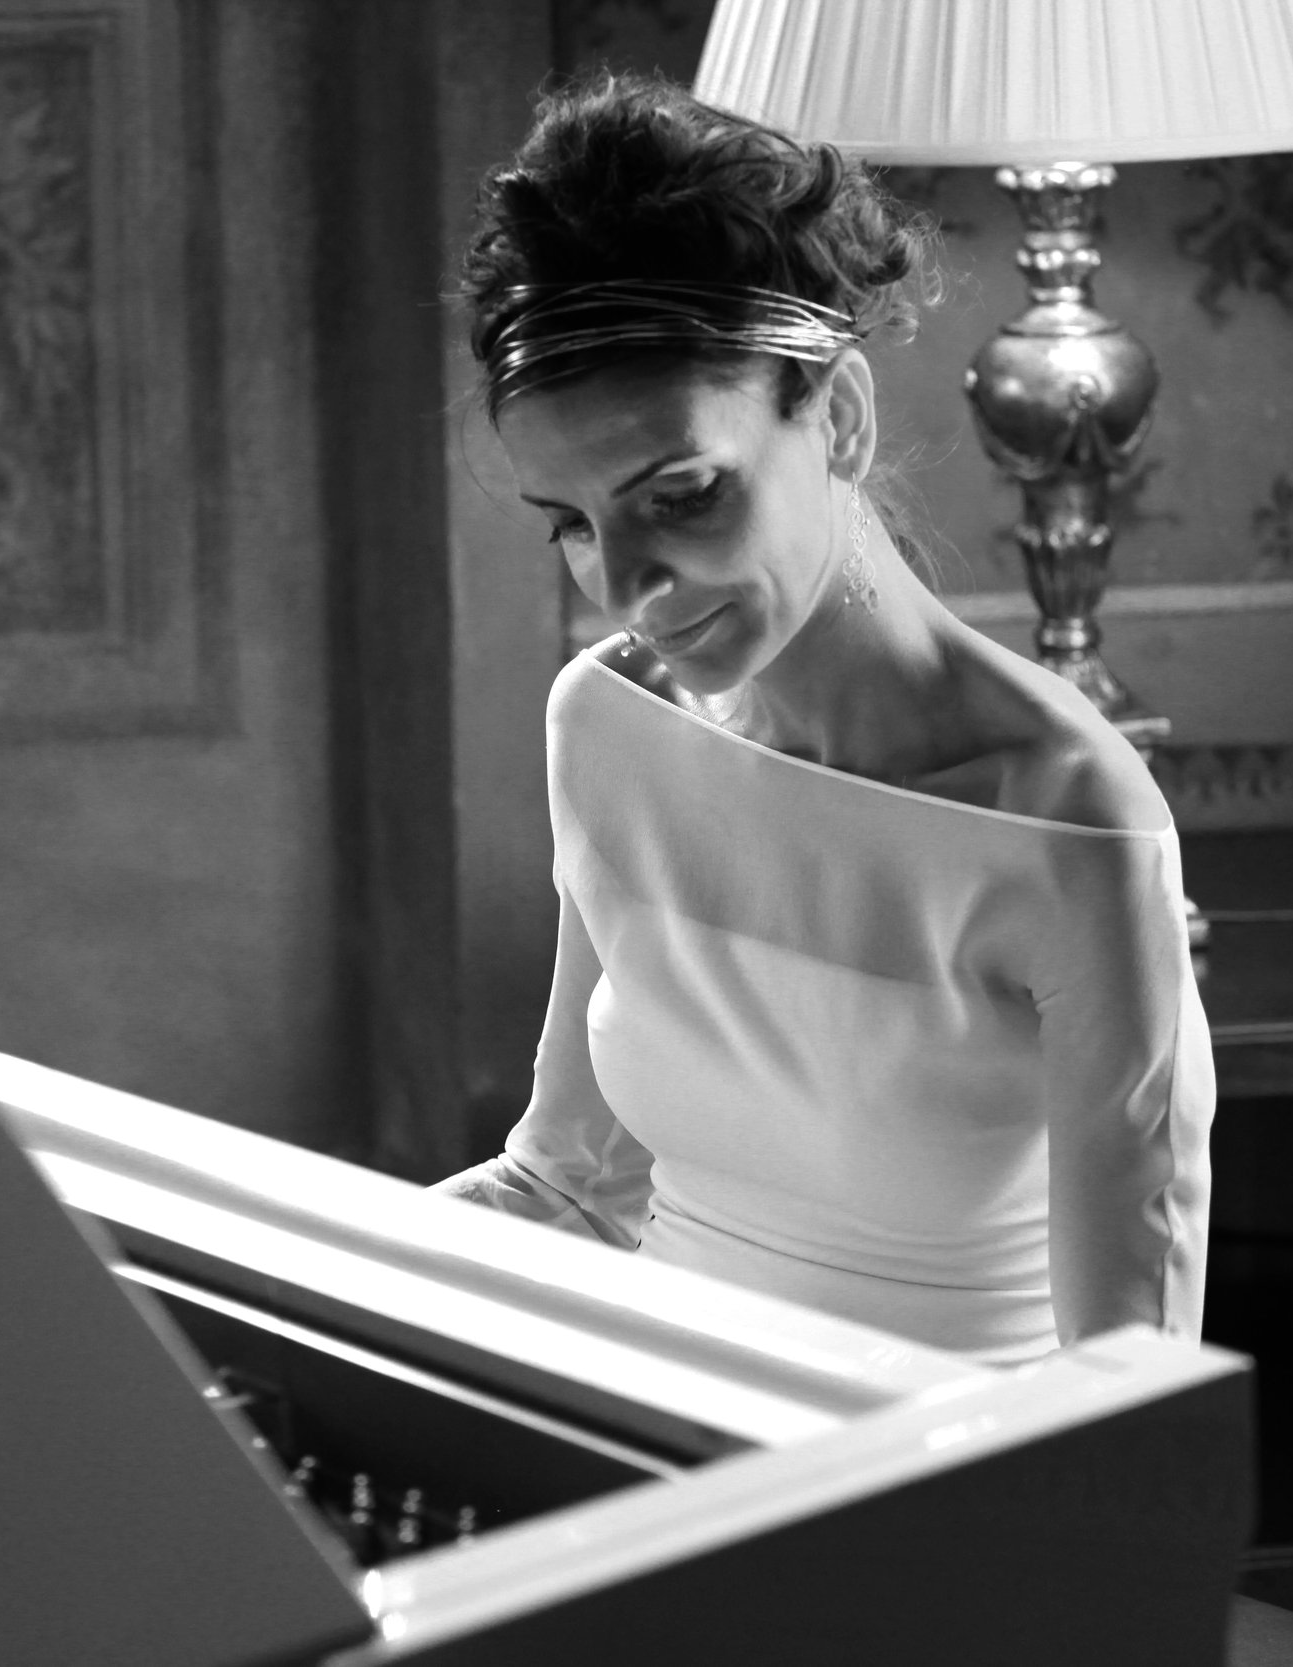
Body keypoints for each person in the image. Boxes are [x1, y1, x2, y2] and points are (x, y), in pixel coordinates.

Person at [434, 75, 1213, 1366]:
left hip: (961, 1472)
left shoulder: (1068, 818)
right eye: (571, 523)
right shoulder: (609, 726)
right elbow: (566, 1191)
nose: (622, 587)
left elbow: (1130, 1385)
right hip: (664, 1434)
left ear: (838, 416)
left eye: (680, 495)